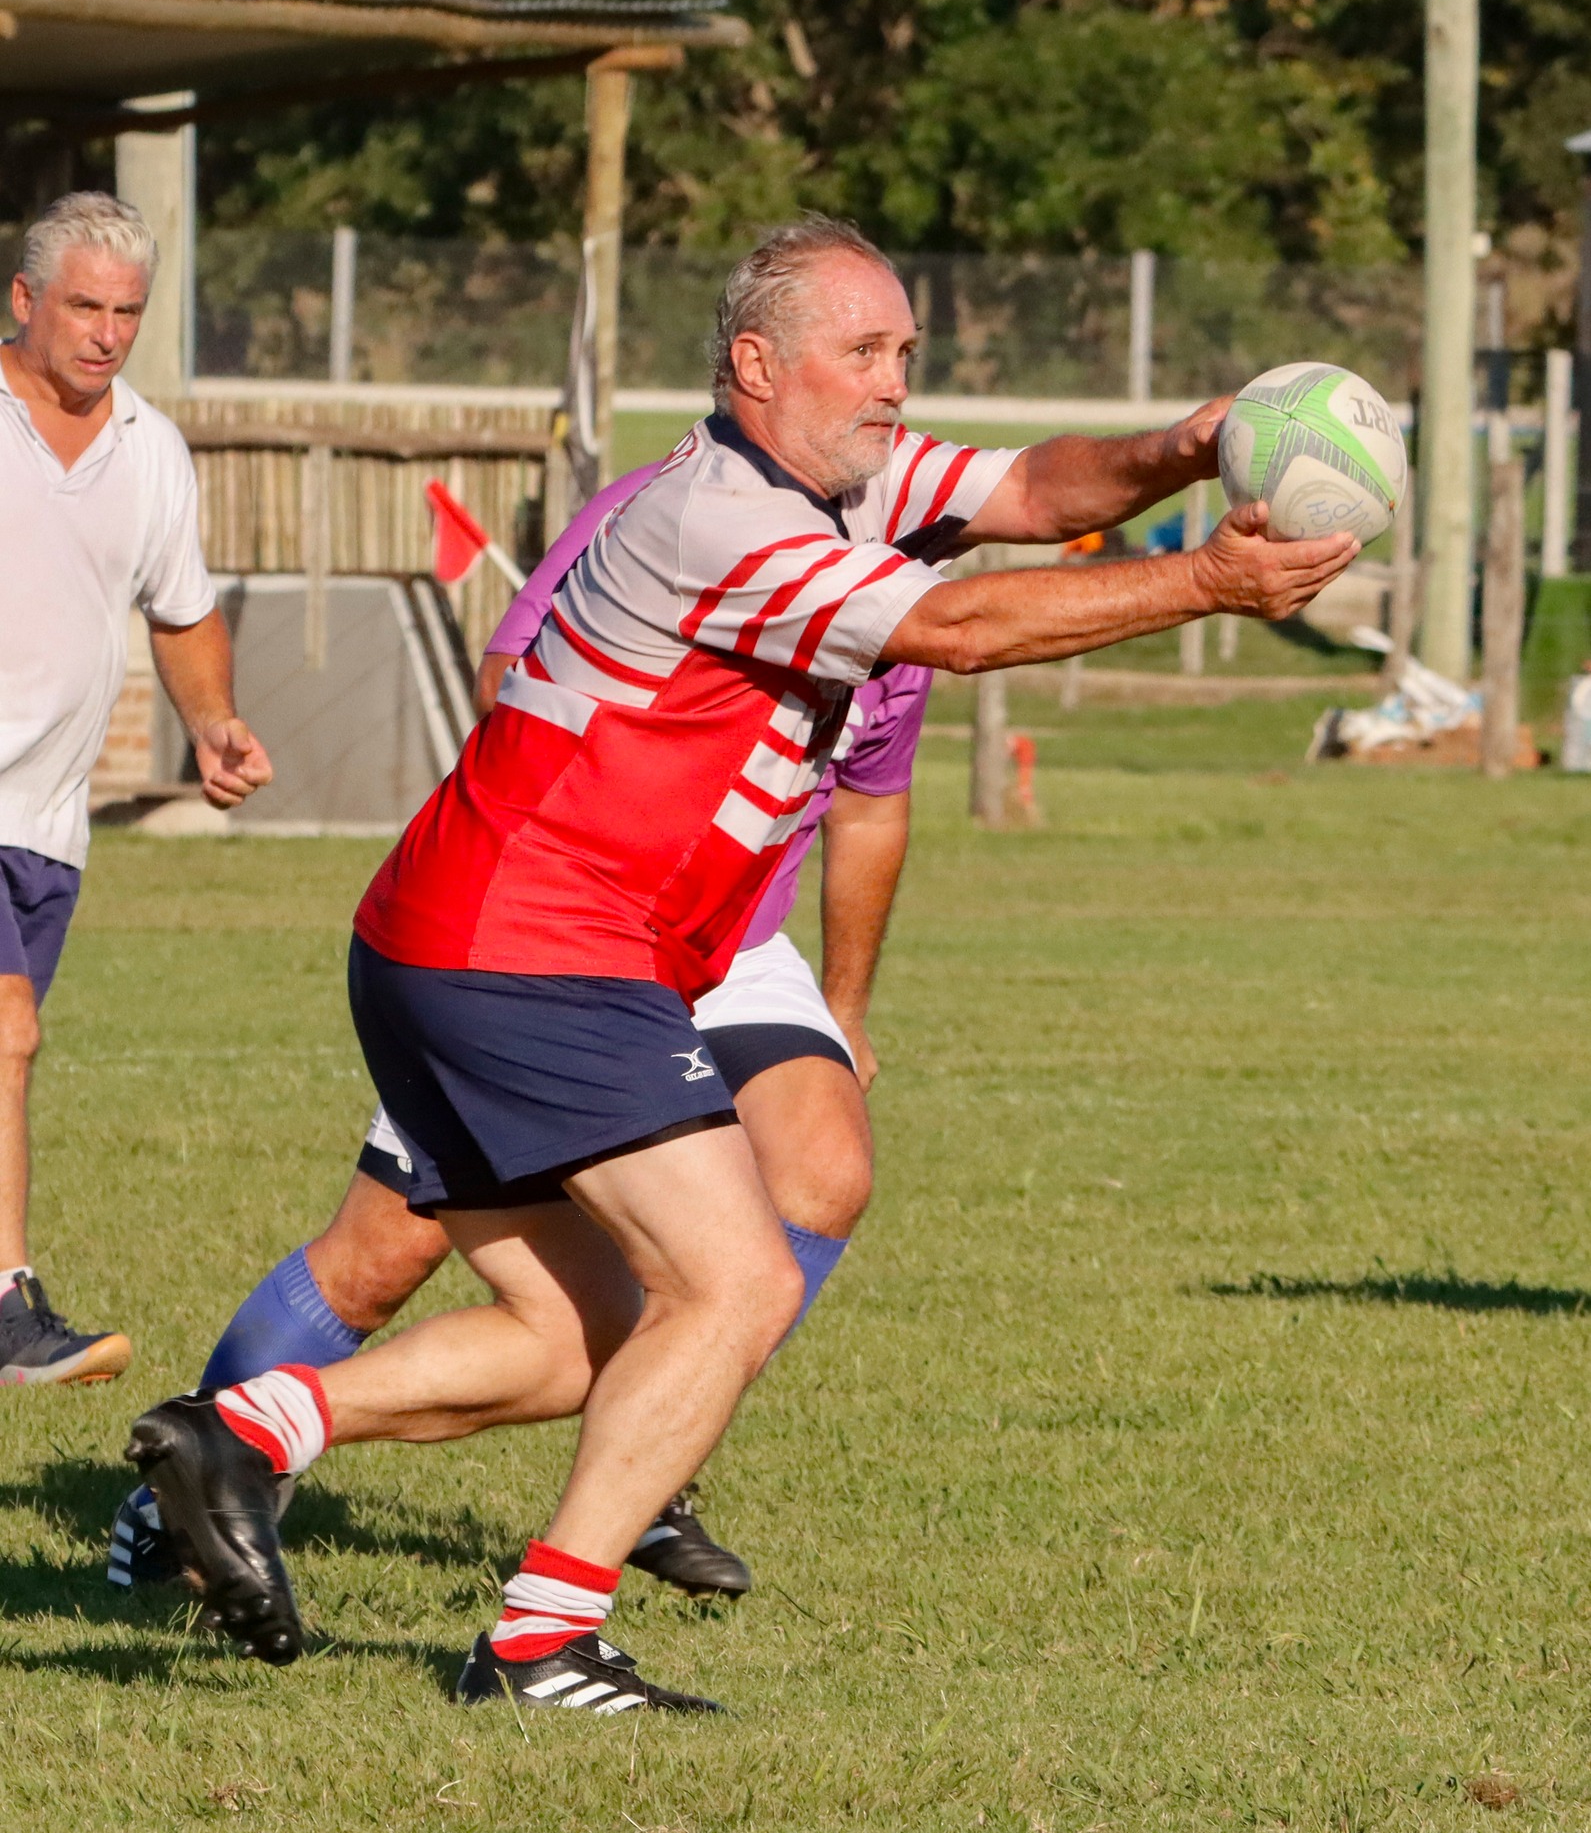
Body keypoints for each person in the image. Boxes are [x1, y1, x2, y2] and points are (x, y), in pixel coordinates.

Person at [125, 215, 1357, 1716]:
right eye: (865, 352)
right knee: (737, 1282)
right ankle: (540, 1640)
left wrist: (1183, 448)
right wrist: (1201, 587)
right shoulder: (718, 517)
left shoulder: (847, 481)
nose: (897, 383)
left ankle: (244, 1435)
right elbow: (956, 626)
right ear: (755, 364)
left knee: (582, 1337)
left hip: (468, 937)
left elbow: (1035, 492)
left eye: (905, 350)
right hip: (535, 942)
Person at [109, 458, 925, 1598]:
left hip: (728, 940)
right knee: (381, 1252)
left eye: (899, 364)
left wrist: (843, 1008)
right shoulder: (673, 510)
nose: (884, 403)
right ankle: (181, 1487)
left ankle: (648, 1462)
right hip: (555, 927)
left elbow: (873, 803)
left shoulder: (900, 589)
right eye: (860, 360)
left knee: (822, 1167)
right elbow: (509, 680)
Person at [0, 193, 271, 1389]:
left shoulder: (150, 447)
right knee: (5, 1031)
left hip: (45, 827)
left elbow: (183, 608)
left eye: (128, 313)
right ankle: (8, 1306)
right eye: (83, 307)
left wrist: (211, 720)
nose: (107, 334)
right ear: (23, 301)